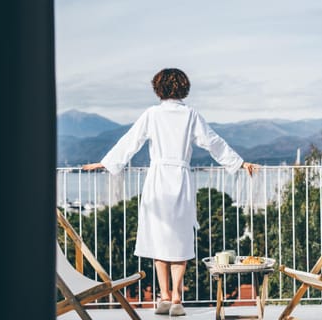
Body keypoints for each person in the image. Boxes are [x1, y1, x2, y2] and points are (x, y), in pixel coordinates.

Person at [82, 68, 259, 316]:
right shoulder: (190, 115)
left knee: (159, 238)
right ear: (184, 87)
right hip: (181, 179)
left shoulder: (152, 114)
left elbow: (130, 141)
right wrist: (240, 163)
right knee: (179, 237)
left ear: (158, 88)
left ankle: (163, 296)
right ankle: (177, 297)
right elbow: (213, 142)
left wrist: (106, 162)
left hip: (157, 179)